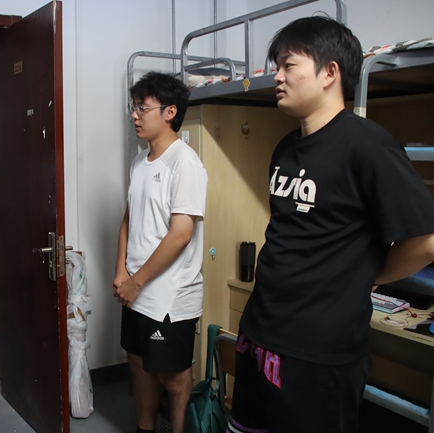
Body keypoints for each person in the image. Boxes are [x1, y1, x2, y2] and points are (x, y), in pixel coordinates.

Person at [229, 16, 434, 433]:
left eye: (289, 65)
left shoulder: (369, 146)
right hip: (260, 332)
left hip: (318, 351)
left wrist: (369, 275)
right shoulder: (286, 148)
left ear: (329, 73)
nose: (277, 76)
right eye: (277, 66)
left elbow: (425, 241)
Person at [114, 71, 208, 433]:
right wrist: (121, 270)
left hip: (169, 296)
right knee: (139, 367)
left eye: (142, 107)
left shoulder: (185, 163)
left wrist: (135, 282)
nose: (134, 115)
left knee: (173, 378)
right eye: (134, 106)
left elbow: (180, 235)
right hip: (134, 288)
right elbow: (129, 219)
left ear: (170, 112)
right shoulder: (139, 162)